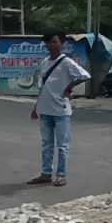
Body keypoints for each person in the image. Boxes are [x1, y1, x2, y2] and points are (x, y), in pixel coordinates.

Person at [28, 30, 88, 186]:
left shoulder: (66, 62)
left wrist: (69, 87)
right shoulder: (44, 62)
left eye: (54, 42)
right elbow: (43, 87)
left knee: (62, 145)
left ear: (61, 44)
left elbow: (84, 75)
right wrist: (36, 107)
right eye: (48, 42)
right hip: (45, 108)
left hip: (61, 110)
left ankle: (61, 174)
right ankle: (46, 173)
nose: (51, 45)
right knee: (46, 143)